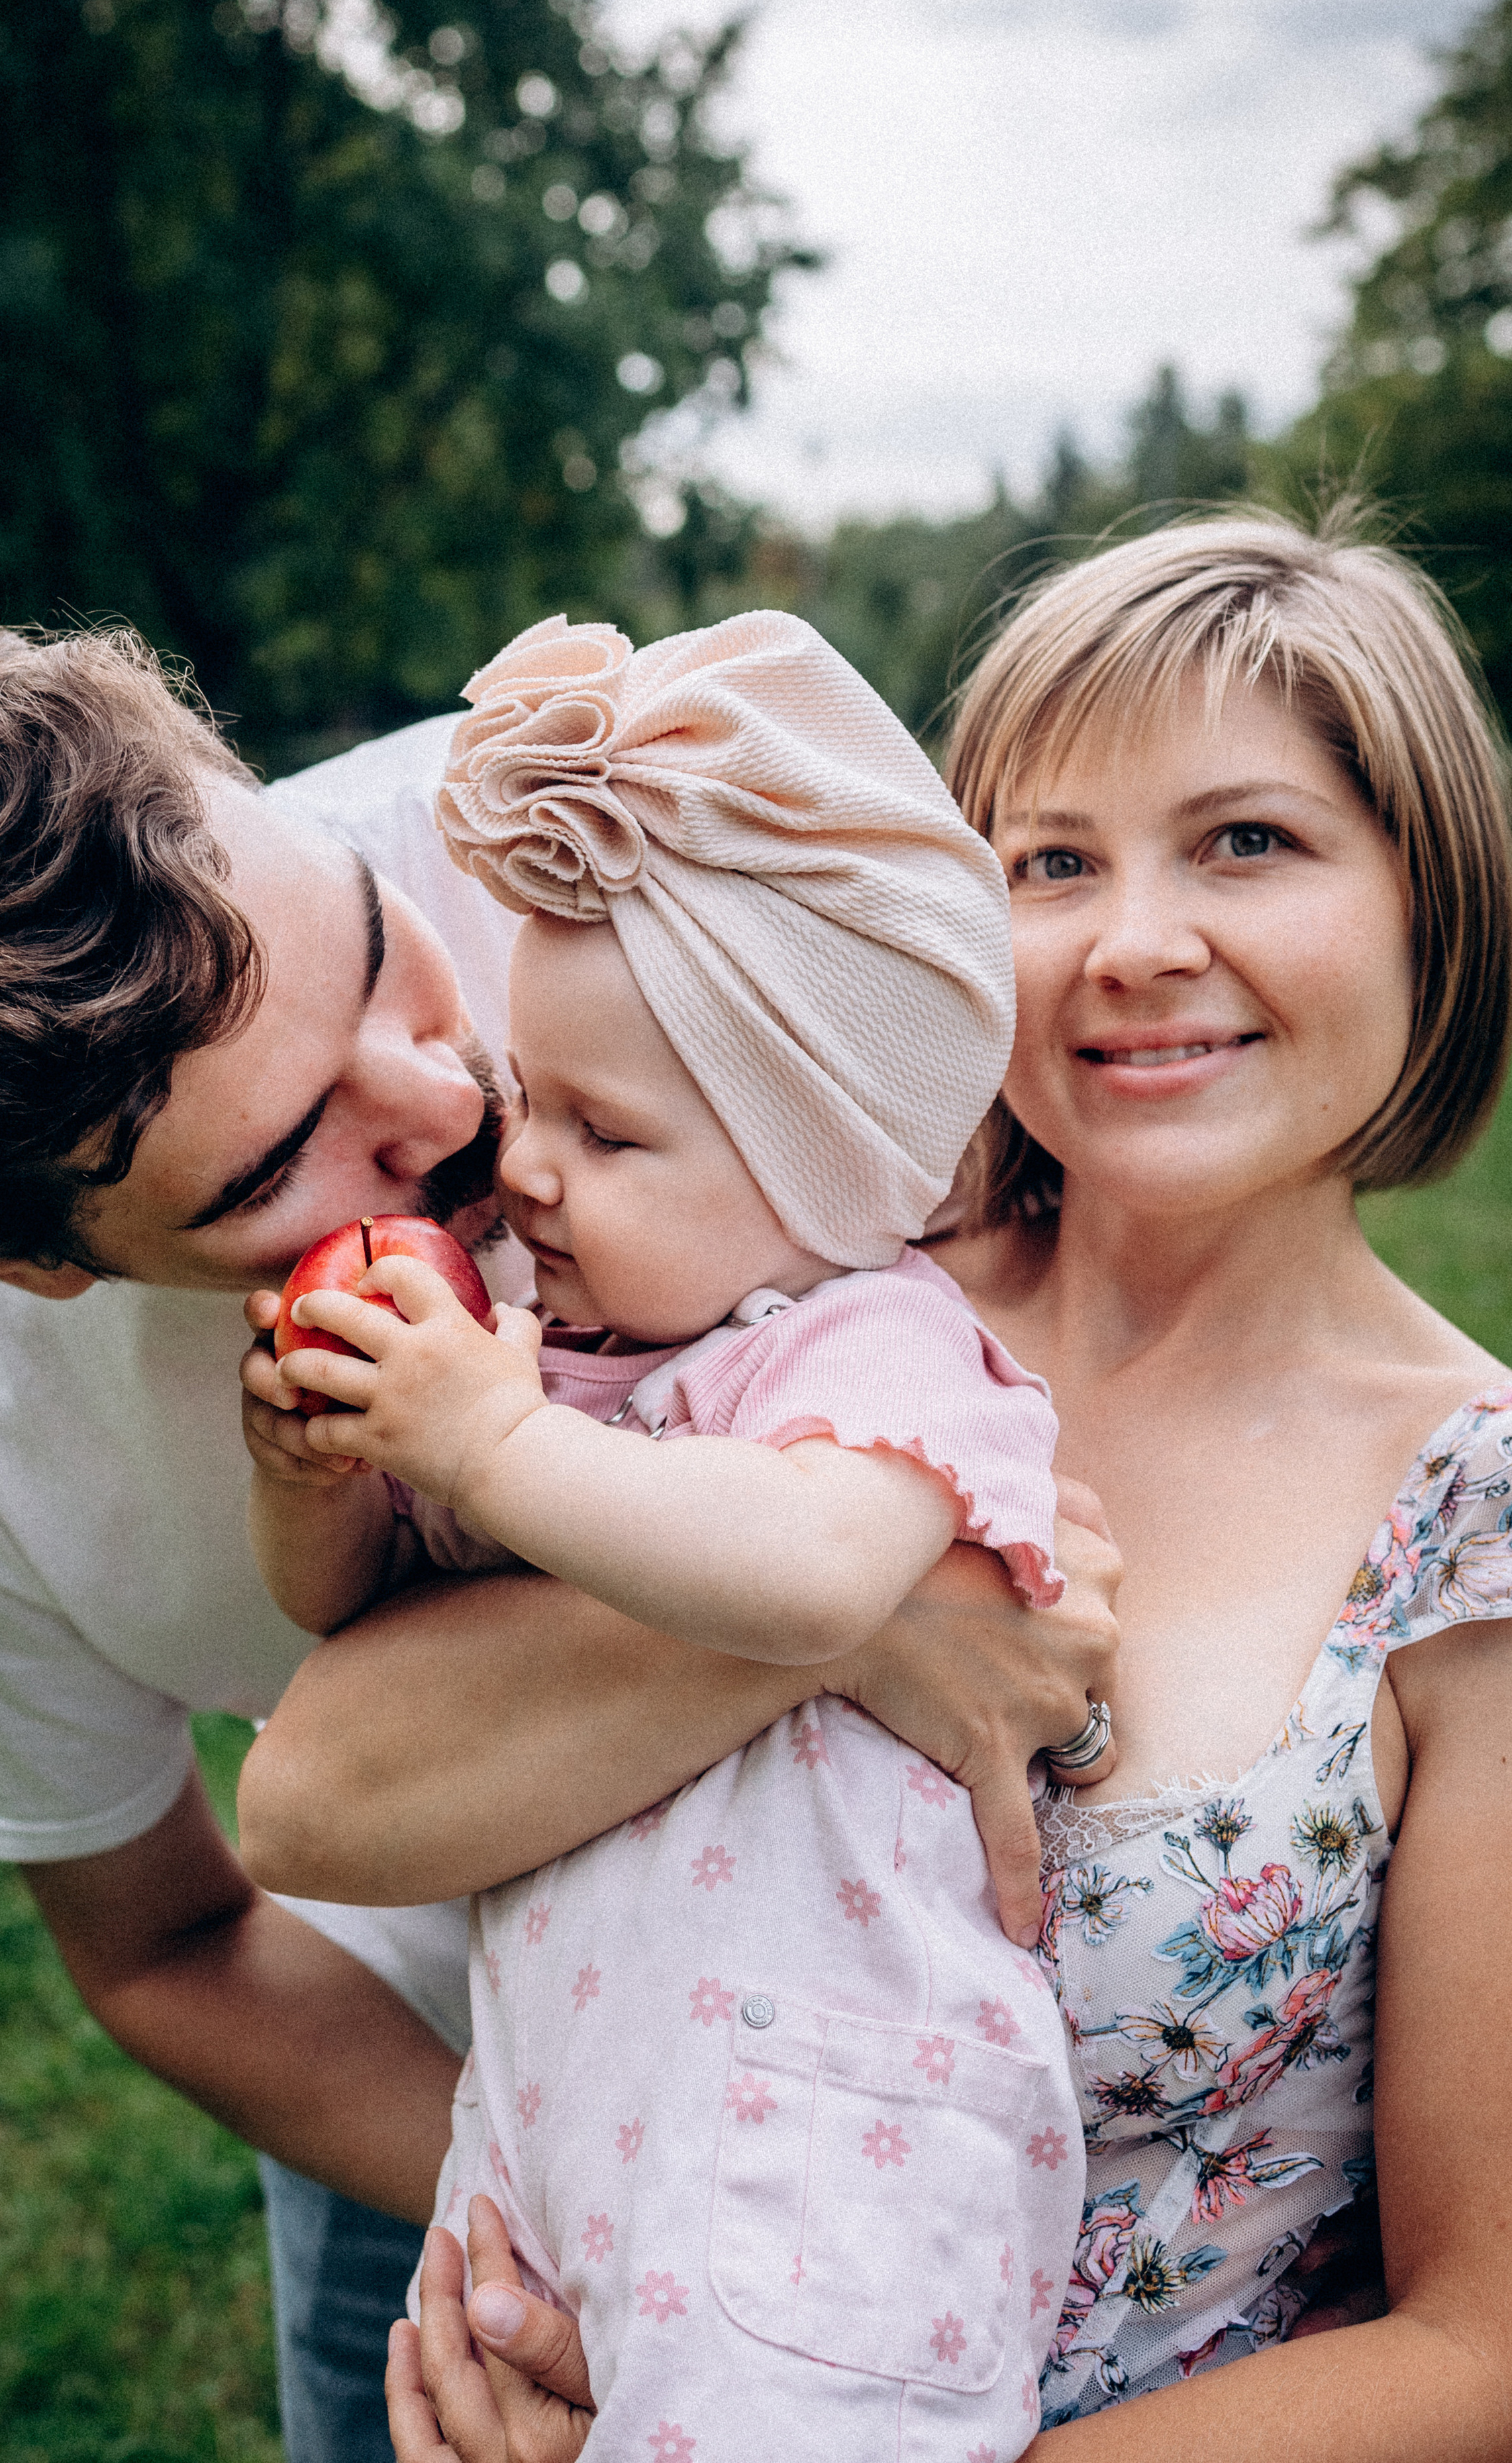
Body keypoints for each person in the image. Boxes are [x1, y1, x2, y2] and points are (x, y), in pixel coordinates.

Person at [232, 511, 1512, 2463]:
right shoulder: (764, 1295)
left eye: (1249, 840)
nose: (1136, 940)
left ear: (1435, 906)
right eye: (1052, 862)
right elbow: (318, 1801)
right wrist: (862, 1624)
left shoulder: (1472, 1511)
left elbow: (1475, 2348)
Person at [0, 627, 1119, 2461]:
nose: (453, 1109)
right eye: (278, 1167)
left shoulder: (569, 845)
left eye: (374, 954)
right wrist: (534, 2216)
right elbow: (166, 1943)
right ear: (34, 1259)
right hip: (460, 2059)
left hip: (905, 2024)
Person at [245, 611, 1089, 2459]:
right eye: (534, 1097)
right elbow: (352, 1620)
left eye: (608, 1137)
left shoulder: (877, 1347)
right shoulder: (573, 1367)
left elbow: (809, 1576)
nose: (525, 1165)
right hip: (558, 2114)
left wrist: (480, 1437)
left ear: (830, 1177)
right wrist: (321, 1481)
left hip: (827, 2151)